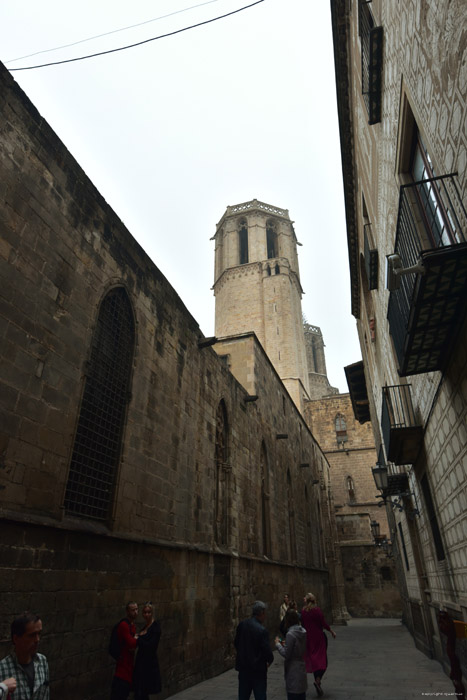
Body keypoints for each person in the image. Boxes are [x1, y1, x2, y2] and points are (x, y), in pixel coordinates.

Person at [0, 612, 49, 699]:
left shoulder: (42, 661)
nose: (37, 639)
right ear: (16, 638)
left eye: (39, 634)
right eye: (32, 635)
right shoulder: (2, 668)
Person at [234, 600, 274, 700]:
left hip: (243, 669)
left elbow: (236, 643)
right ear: (261, 613)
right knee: (260, 695)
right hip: (258, 670)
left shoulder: (242, 625)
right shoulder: (262, 630)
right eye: (265, 613)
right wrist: (269, 660)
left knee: (243, 696)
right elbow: (267, 651)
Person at [300, 593, 336, 698]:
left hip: (309, 639)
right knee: (323, 661)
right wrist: (331, 631)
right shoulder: (317, 611)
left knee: (315, 661)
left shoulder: (303, 611)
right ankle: (318, 680)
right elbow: (323, 623)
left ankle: (317, 681)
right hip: (319, 639)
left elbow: (302, 624)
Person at [274, 610, 307, 700]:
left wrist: (278, 644)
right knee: (301, 695)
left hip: (293, 669)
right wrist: (286, 644)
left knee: (293, 695)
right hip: (301, 666)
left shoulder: (290, 634)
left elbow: (286, 654)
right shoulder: (303, 631)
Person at [133, 602, 162, 700]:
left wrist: (138, 638)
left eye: (149, 612)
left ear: (152, 613)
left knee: (143, 691)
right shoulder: (145, 627)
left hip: (148, 663)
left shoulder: (155, 627)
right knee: (140, 691)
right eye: (145, 612)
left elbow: (151, 646)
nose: (146, 615)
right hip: (140, 662)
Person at [110, 601, 138, 700]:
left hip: (128, 667)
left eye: (136, 609)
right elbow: (131, 643)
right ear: (127, 611)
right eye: (133, 610)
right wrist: (137, 638)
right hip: (122, 668)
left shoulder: (132, 625)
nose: (135, 612)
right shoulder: (124, 625)